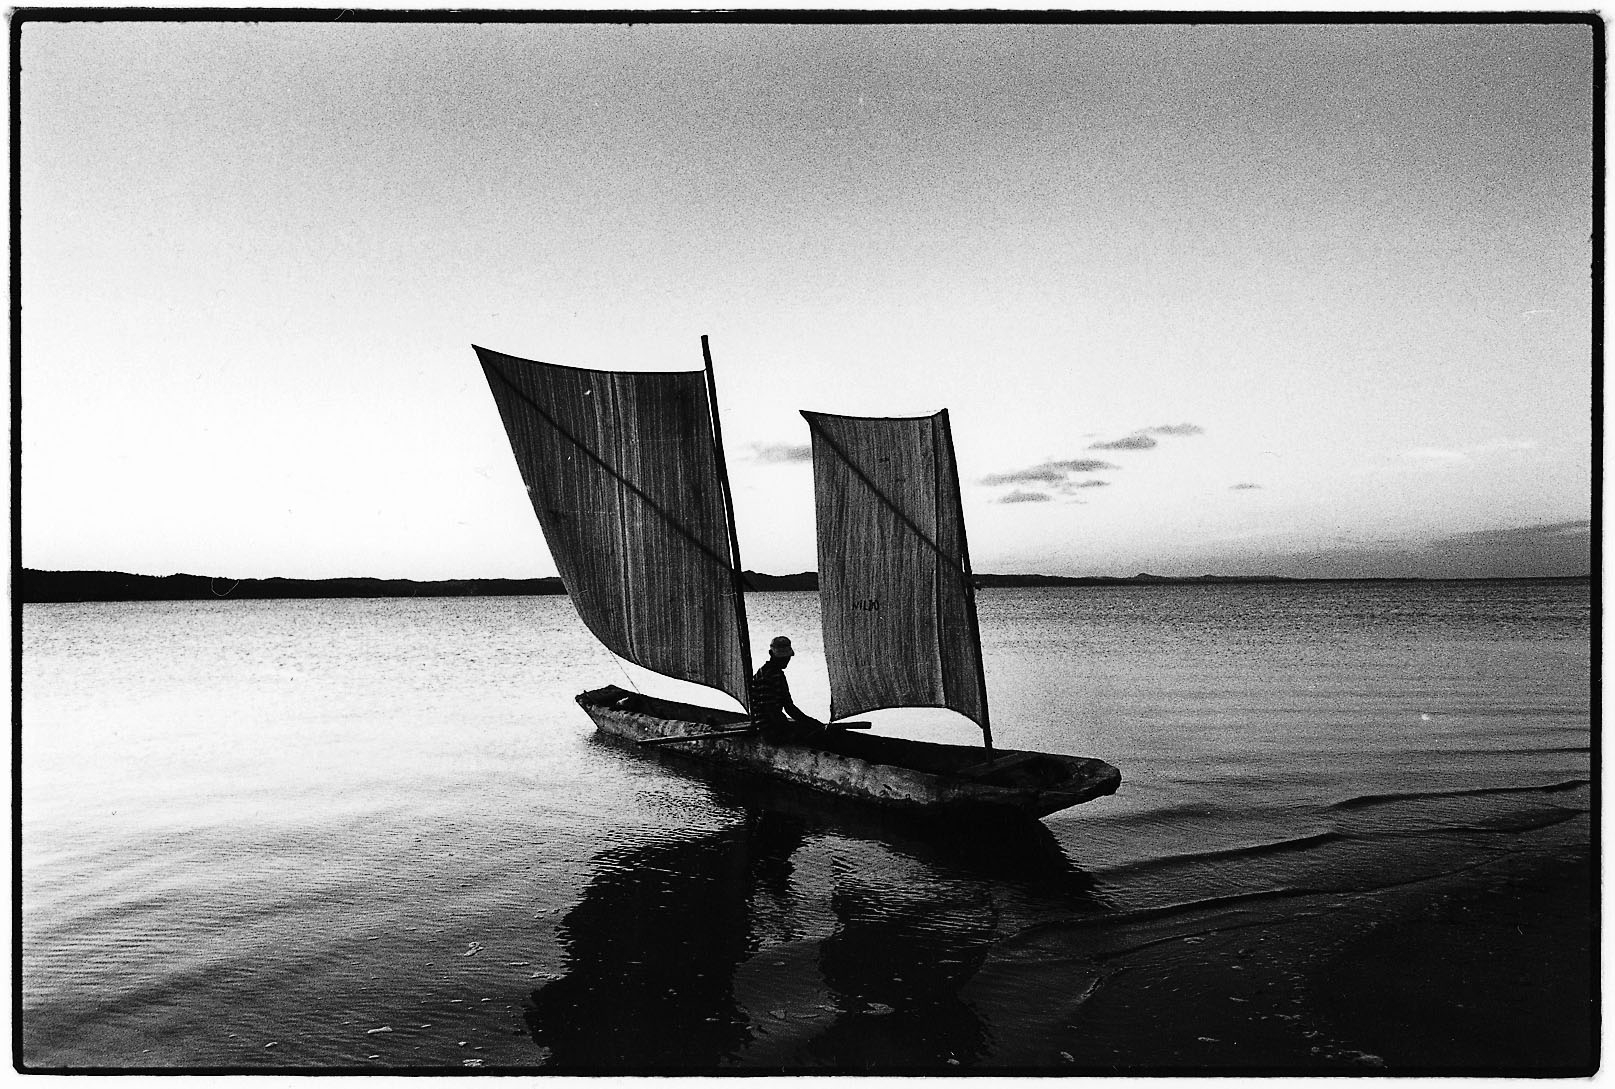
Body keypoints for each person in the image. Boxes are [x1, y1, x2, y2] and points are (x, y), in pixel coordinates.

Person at [750, 636, 824, 742]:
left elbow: (789, 706)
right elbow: (771, 711)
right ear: (771, 654)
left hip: (774, 725)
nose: (786, 660)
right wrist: (788, 730)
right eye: (782, 657)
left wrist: (812, 722)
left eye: (786, 657)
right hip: (767, 730)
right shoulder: (767, 676)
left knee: (813, 729)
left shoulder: (777, 674)